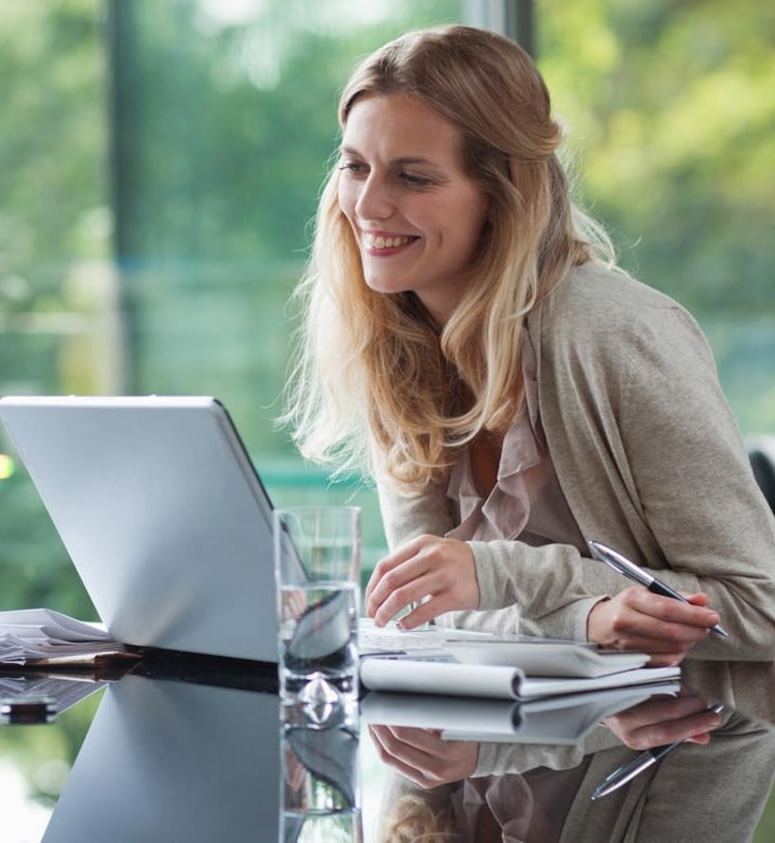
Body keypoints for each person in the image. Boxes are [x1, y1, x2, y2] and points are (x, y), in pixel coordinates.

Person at [283, 25, 775, 668]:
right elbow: (436, 615)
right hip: (515, 743)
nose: (368, 204)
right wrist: (580, 617)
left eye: (414, 177)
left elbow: (759, 609)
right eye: (354, 167)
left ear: (501, 196)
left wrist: (509, 576)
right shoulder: (396, 346)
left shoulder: (617, 333)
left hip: (687, 742)